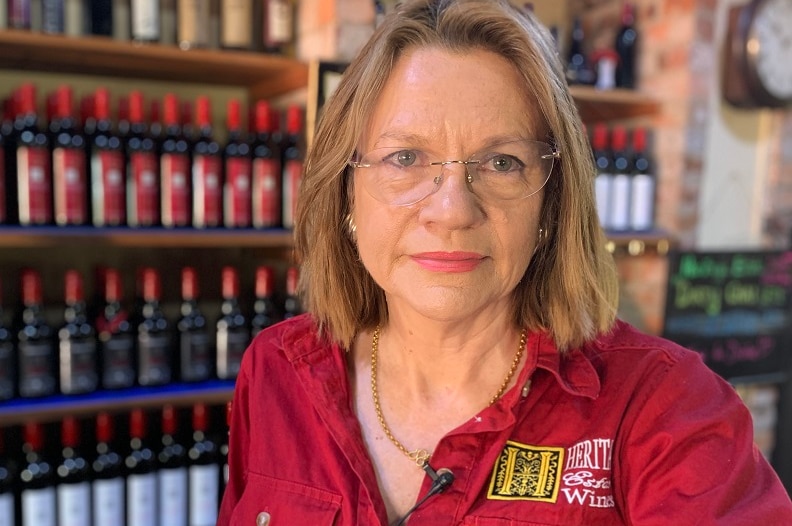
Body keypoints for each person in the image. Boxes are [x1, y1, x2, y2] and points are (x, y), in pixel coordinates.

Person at [218, 0, 792, 524]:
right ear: (345, 193)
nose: (451, 210)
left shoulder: (666, 410)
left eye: (501, 163)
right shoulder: (277, 371)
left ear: (550, 202)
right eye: (406, 157)